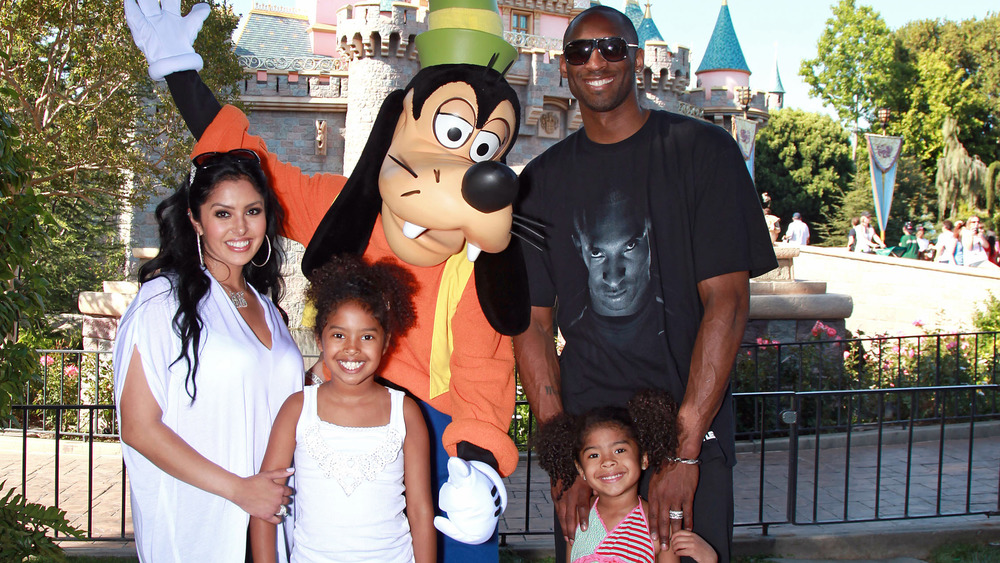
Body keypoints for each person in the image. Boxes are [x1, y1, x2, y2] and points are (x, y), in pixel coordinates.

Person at [513, 6, 778, 562]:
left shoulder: (704, 153)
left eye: (612, 47)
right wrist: (568, 460)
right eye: (581, 51)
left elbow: (727, 301)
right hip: (594, 455)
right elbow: (533, 325)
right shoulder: (539, 183)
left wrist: (683, 454)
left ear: (636, 58)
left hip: (687, 438)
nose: (597, 61)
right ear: (564, 67)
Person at [113, 149, 304, 562]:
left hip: (271, 525)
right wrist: (239, 489)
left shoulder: (266, 306)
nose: (240, 227)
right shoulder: (163, 301)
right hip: (204, 521)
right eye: (222, 213)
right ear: (195, 220)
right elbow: (139, 427)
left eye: (252, 210)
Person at [250, 255, 435, 562]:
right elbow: (264, 504)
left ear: (386, 342)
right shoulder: (297, 409)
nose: (352, 348)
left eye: (367, 336)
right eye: (339, 335)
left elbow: (420, 509)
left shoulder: (406, 413)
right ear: (319, 338)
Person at [533, 390, 716, 563]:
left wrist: (709, 560)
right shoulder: (580, 517)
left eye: (619, 450)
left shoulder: (657, 526)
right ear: (580, 470)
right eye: (594, 455)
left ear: (644, 458)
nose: (608, 461)